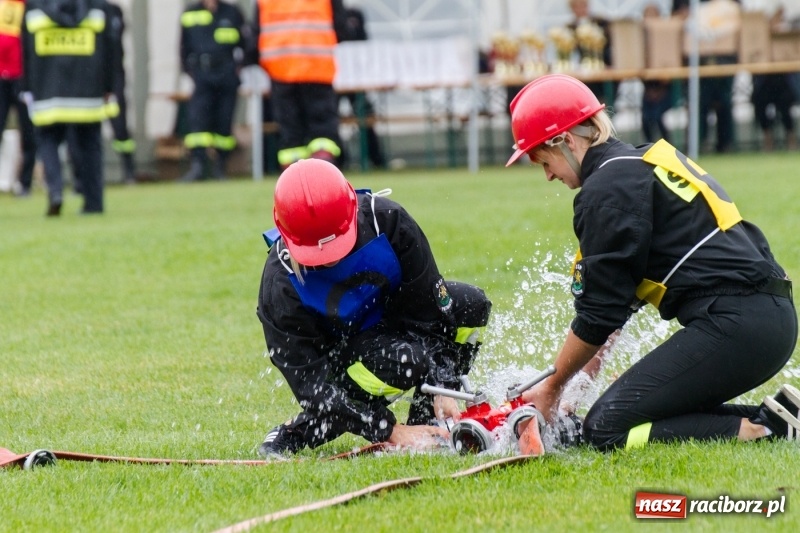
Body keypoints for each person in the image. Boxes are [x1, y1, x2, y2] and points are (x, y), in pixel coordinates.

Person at [505, 74, 798, 453]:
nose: (547, 175)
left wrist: (551, 388)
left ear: (565, 141)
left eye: (542, 160)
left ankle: (762, 432)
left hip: (738, 325)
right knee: (624, 412)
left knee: (604, 430)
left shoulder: (607, 188)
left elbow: (597, 316)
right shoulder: (635, 164)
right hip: (765, 319)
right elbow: (610, 318)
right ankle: (780, 416)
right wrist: (569, 390)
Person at [256, 158, 491, 456]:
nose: (330, 258)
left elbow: (430, 313)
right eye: (316, 251)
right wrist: (390, 431)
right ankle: (295, 432)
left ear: (353, 210)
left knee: (470, 305)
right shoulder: (280, 286)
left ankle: (428, 417)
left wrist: (443, 382)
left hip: (393, 324)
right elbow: (312, 387)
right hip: (345, 358)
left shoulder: (389, 222)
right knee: (408, 360)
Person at [21, 0, 118, 216]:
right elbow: (111, 48)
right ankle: (94, 203)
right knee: (91, 147)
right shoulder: (97, 7)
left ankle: (55, 190)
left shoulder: (35, 7)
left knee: (47, 140)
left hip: (48, 90)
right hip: (88, 91)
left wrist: (26, 88)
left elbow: (25, 49)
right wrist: (109, 86)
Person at [254, 0, 348, 170]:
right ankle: (323, 169)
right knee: (322, 127)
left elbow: (255, 33)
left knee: (290, 129)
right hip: (317, 66)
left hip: (281, 69)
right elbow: (342, 28)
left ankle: (294, 175)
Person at [179, 0, 249, 182]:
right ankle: (198, 166)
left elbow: (246, 43)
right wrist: (190, 71)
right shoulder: (190, 13)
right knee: (198, 122)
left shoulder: (232, 13)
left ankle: (220, 167)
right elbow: (183, 47)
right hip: (202, 74)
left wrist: (239, 68)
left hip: (226, 74)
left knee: (224, 122)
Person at [674, 0, 741, 153]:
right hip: (701, 62)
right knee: (700, 104)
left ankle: (726, 144)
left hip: (725, 60)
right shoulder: (699, 7)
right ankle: (700, 142)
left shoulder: (729, 6)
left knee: (724, 103)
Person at [338, 6, 386, 170]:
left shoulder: (355, 14)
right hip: (332, 75)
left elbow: (363, 41)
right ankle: (338, 161)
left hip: (355, 76)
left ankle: (375, 157)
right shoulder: (325, 10)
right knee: (328, 121)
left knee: (365, 113)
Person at [0, 0, 36, 197]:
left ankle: (25, 183)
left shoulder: (30, 6)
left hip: (23, 78)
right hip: (1, 76)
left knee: (29, 133)